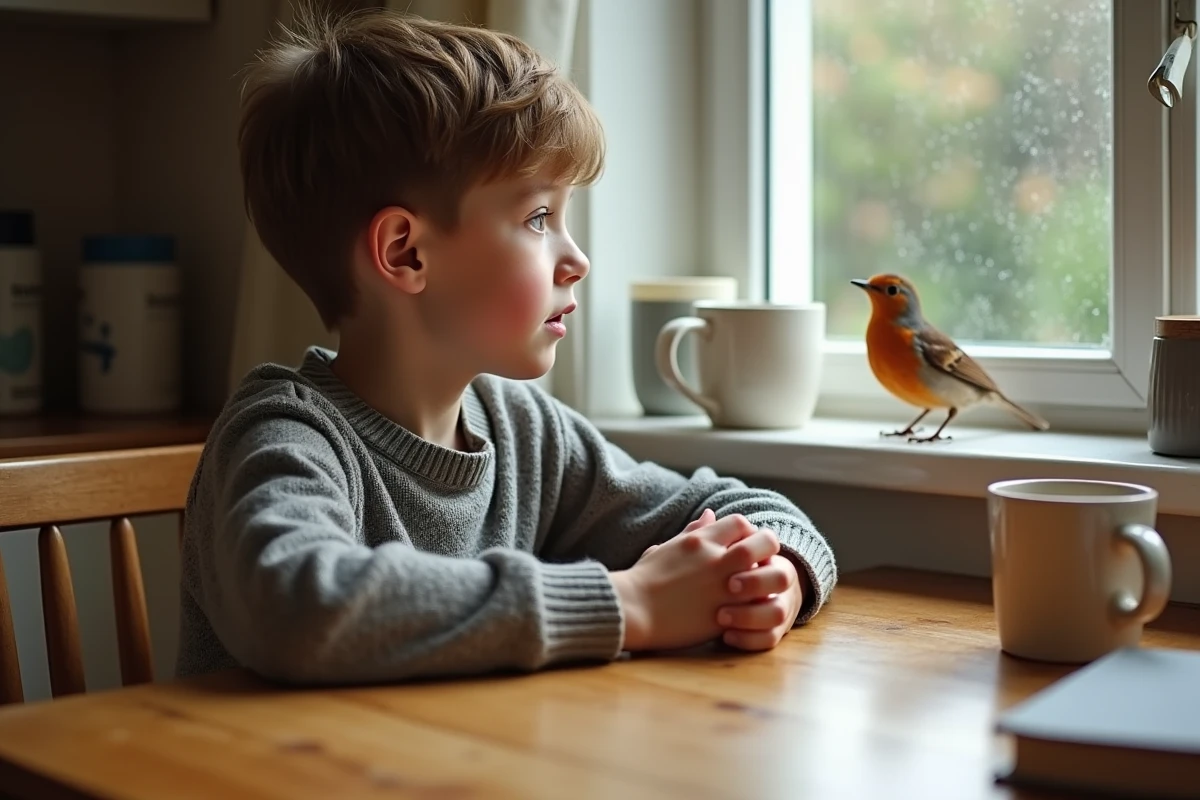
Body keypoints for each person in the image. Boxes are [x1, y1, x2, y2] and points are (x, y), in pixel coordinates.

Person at [176, 5, 837, 685]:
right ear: (405, 253)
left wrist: (772, 569)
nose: (577, 258)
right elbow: (298, 607)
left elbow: (748, 511)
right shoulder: (285, 434)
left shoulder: (523, 432)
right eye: (540, 217)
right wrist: (628, 602)